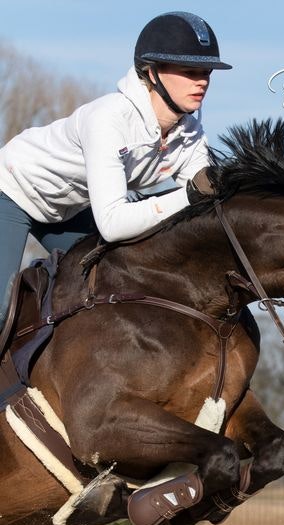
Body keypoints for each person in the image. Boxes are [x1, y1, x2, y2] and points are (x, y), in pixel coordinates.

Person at [0, 11, 231, 328]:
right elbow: (112, 223)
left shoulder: (190, 130)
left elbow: (206, 201)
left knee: (119, 279)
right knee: (1, 311)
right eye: (190, 71)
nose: (202, 80)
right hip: (11, 191)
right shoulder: (109, 118)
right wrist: (188, 195)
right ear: (152, 73)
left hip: (64, 211)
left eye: (206, 72)